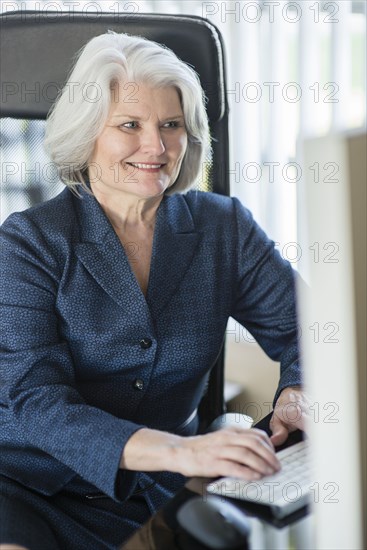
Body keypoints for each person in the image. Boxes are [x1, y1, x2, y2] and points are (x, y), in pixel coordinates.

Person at [0, 31, 309, 550]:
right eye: (130, 125)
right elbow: (37, 403)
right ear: (87, 133)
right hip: (29, 487)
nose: (157, 146)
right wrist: (181, 452)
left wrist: (297, 391)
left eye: (171, 125)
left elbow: (316, 328)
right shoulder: (28, 243)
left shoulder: (222, 228)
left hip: (160, 492)